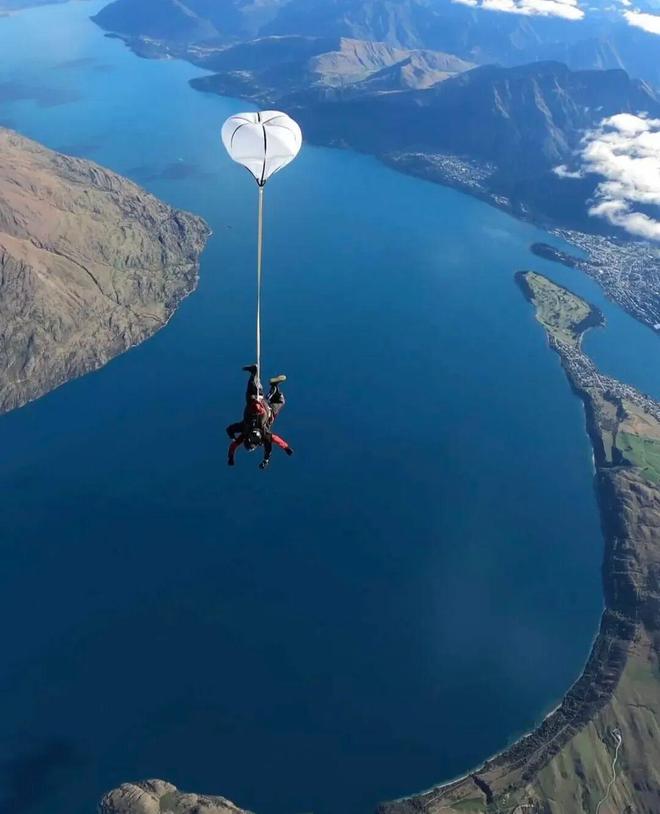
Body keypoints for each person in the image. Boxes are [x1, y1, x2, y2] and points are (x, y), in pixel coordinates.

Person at [227, 365, 294, 469]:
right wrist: (285, 448)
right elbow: (273, 443)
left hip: (259, 404)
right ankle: (273, 387)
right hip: (264, 407)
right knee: (279, 400)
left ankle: (266, 382)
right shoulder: (262, 436)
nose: (253, 437)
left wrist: (231, 454)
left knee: (258, 393)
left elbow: (232, 437)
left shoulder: (246, 431)